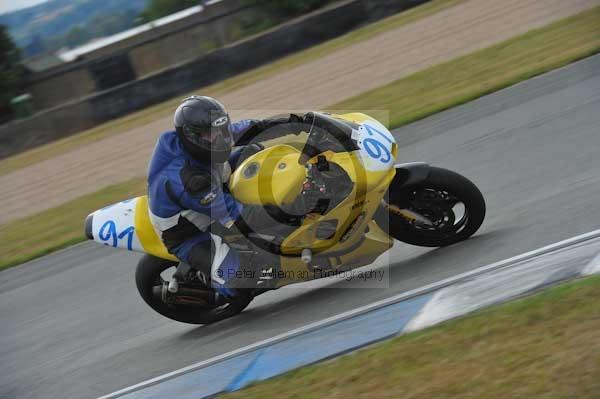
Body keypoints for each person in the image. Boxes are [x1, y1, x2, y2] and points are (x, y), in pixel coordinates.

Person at [147, 95, 303, 299]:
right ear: (192, 136)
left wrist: (297, 122)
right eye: (212, 134)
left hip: (213, 181)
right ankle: (206, 283)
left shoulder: (206, 139)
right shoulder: (188, 180)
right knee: (242, 282)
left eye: (222, 129)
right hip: (190, 232)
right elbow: (237, 217)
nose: (221, 137)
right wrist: (293, 208)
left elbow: (252, 129)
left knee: (254, 152)